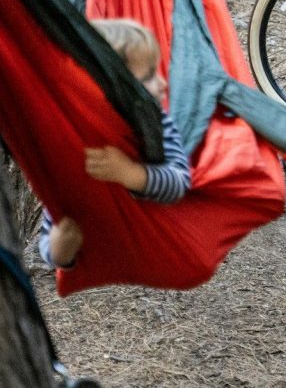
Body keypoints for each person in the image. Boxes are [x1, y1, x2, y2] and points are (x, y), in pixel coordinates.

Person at [38, 18, 191, 269]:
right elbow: (54, 209)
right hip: (97, 244)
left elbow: (178, 183)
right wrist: (58, 249)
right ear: (114, 89)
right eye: (150, 75)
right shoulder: (77, 138)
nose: (163, 84)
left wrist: (131, 174)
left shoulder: (158, 126)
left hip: (151, 235)